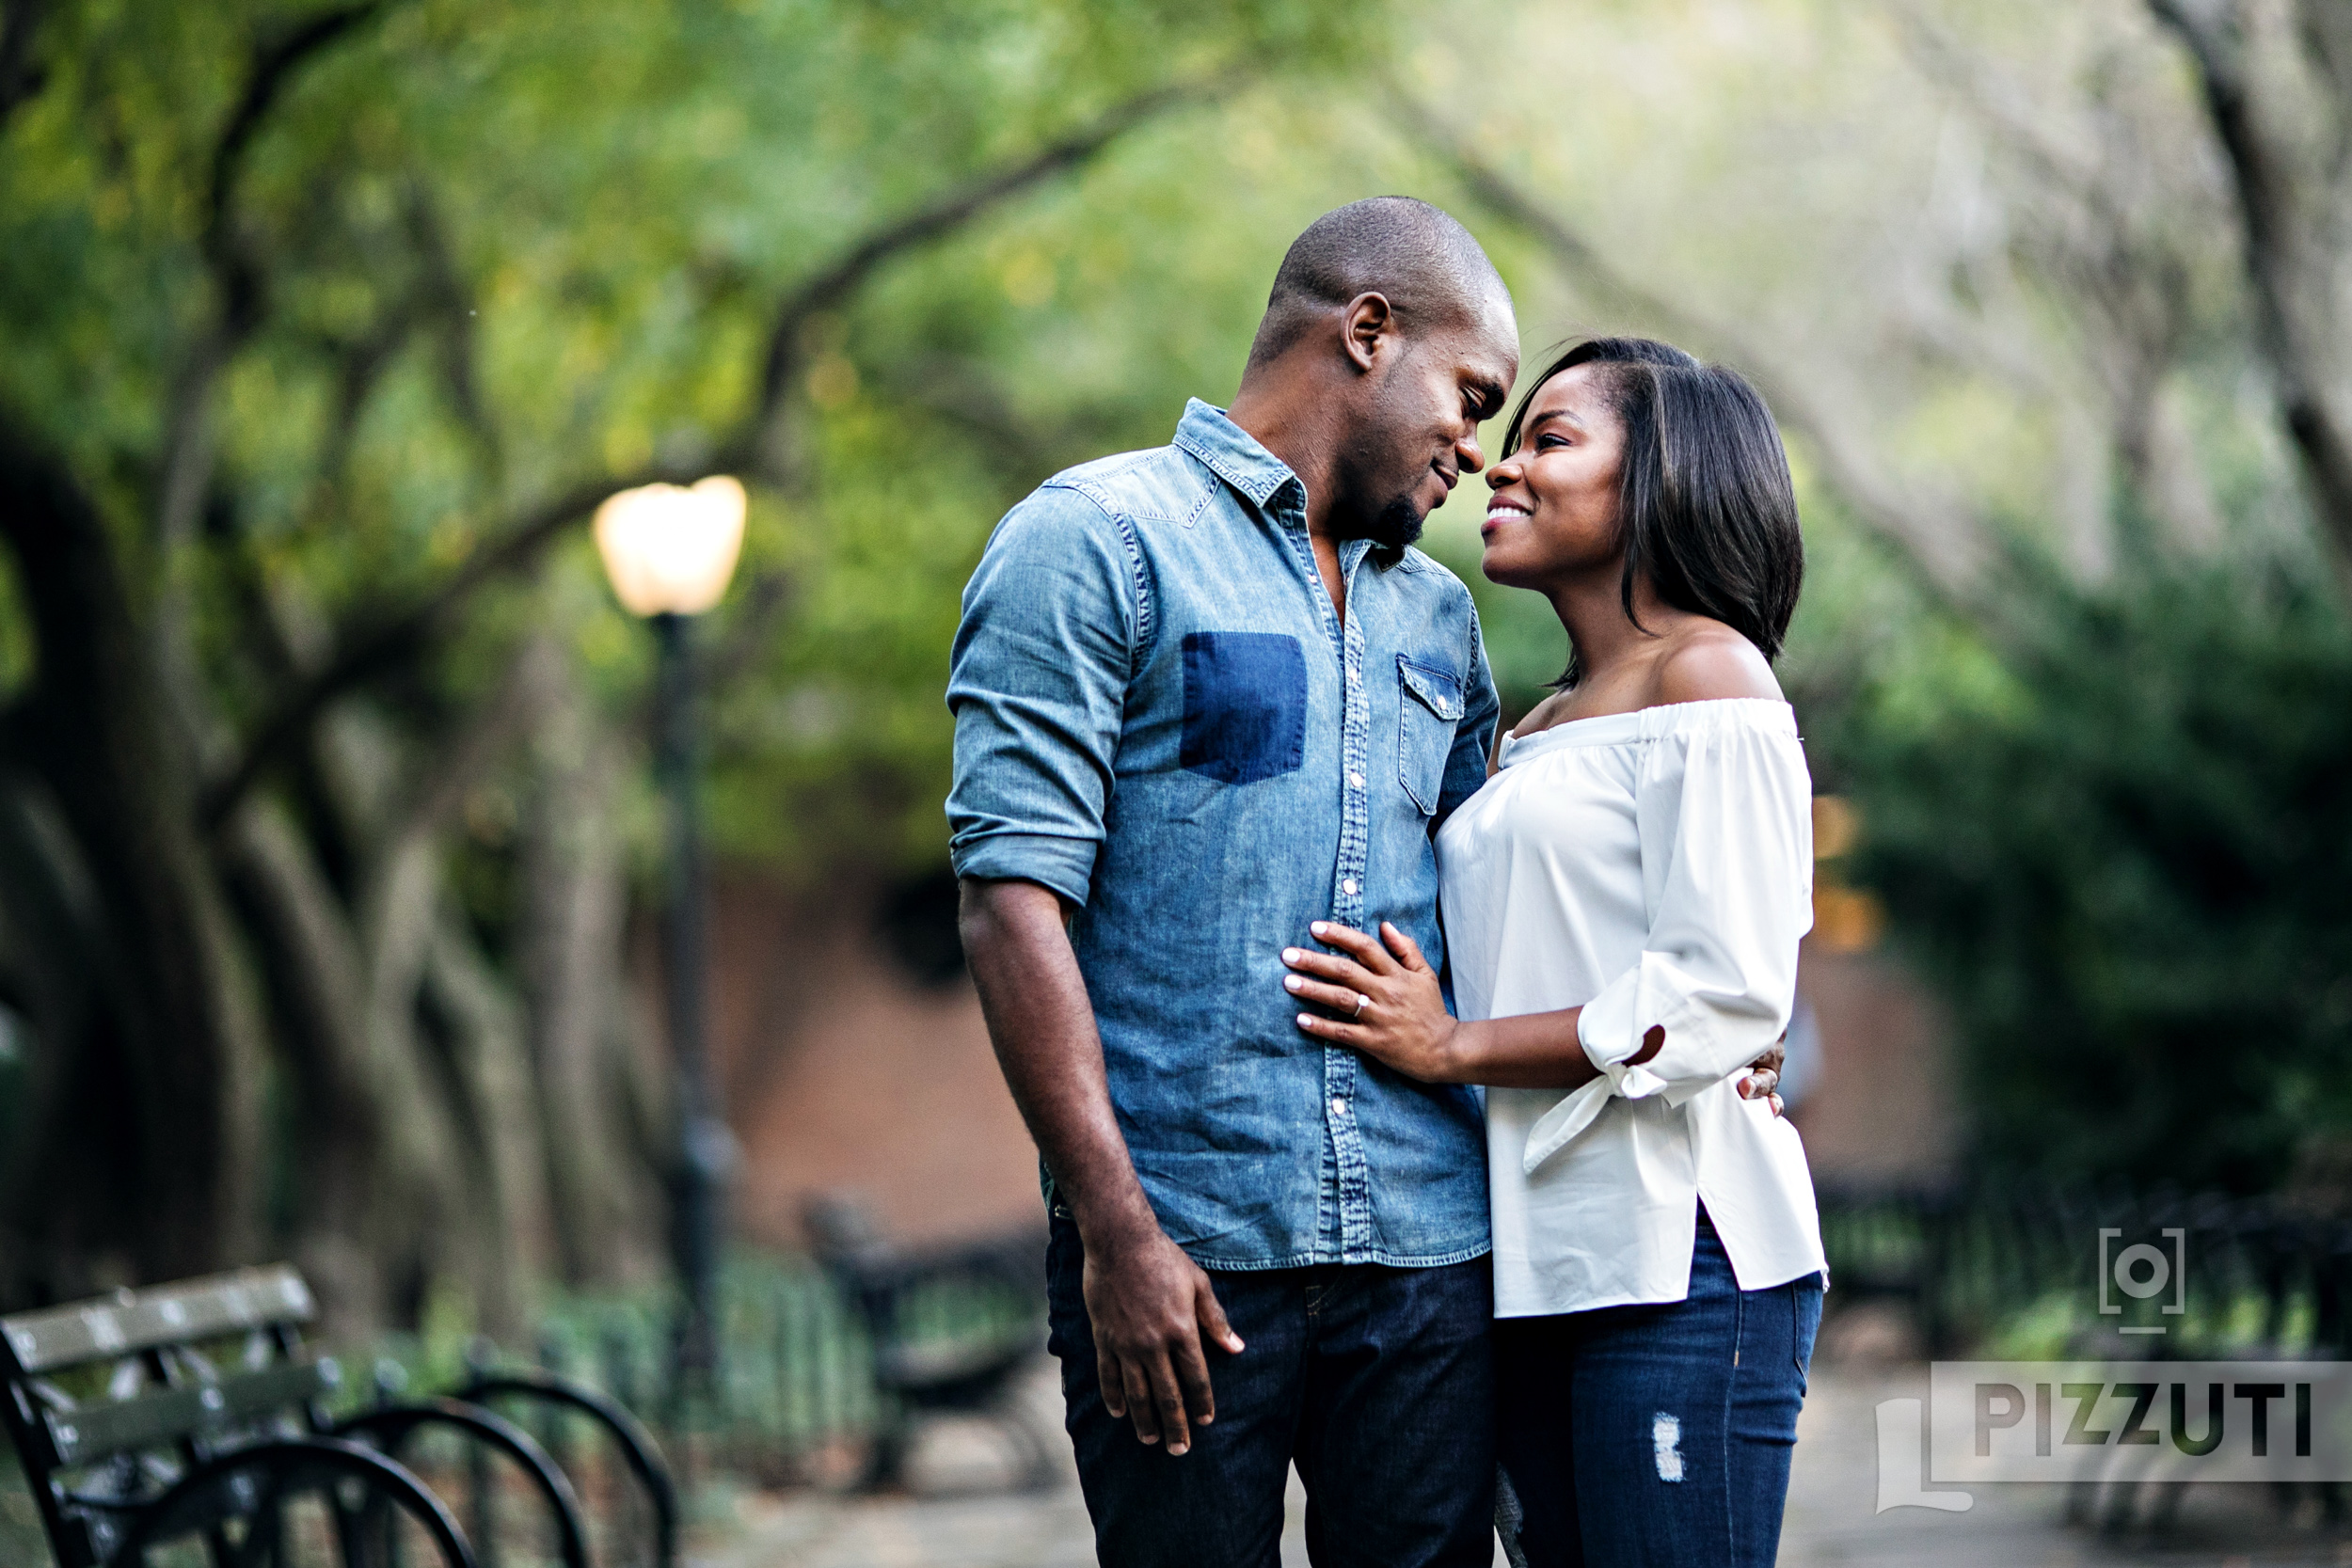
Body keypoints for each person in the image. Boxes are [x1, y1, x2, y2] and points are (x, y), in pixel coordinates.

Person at [1279, 337, 1825, 1568]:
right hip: (1537, 1264)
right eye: (1510, 440)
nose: (1498, 469)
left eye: (1550, 439)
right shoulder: (1537, 724)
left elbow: (1727, 990)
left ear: (1663, 477)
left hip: (1682, 1258)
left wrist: (1455, 1044)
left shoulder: (1708, 668)